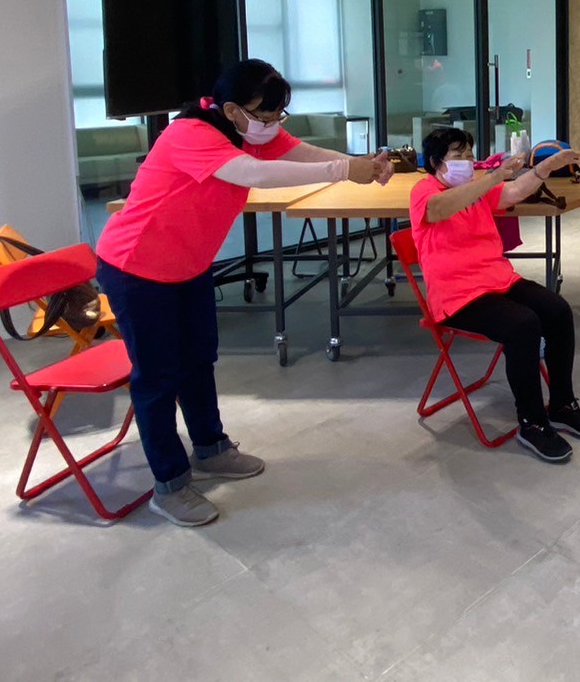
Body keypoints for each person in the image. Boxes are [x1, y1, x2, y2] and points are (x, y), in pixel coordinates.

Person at [96, 59, 393, 527]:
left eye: (278, 116)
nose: (271, 125)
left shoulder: (249, 130)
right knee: (157, 377)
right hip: (137, 268)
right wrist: (342, 169)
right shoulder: (189, 134)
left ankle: (211, 447)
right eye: (263, 115)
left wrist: (359, 164)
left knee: (199, 359)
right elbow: (254, 174)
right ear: (231, 109)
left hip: (189, 265)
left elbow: (297, 151)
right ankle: (170, 484)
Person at [409, 126, 580, 464]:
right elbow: (438, 210)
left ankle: (561, 404)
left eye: (470, 154)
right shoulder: (424, 191)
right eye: (458, 155)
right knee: (523, 325)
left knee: (557, 310)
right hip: (456, 296)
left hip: (497, 279)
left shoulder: (476, 187)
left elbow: (512, 193)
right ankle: (532, 422)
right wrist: (492, 176)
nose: (468, 161)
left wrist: (544, 168)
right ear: (437, 163)